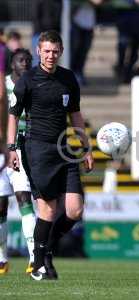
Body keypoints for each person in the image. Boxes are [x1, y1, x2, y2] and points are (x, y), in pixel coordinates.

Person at [7, 30, 94, 280]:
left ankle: (44, 250)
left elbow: (75, 115)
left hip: (65, 149)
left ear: (61, 52)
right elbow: (13, 115)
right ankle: (38, 263)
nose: (50, 55)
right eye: (46, 51)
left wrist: (85, 147)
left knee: (75, 210)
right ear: (38, 51)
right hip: (37, 148)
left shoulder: (68, 78)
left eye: (55, 51)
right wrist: (12, 147)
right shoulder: (28, 80)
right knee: (47, 210)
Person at [0, 49, 36, 275]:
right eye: (21, 60)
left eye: (28, 60)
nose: (25, 63)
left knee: (24, 200)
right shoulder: (2, 84)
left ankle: (35, 257)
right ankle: (2, 259)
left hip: (21, 149)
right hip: (1, 150)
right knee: (1, 207)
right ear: (12, 63)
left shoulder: (34, 84)